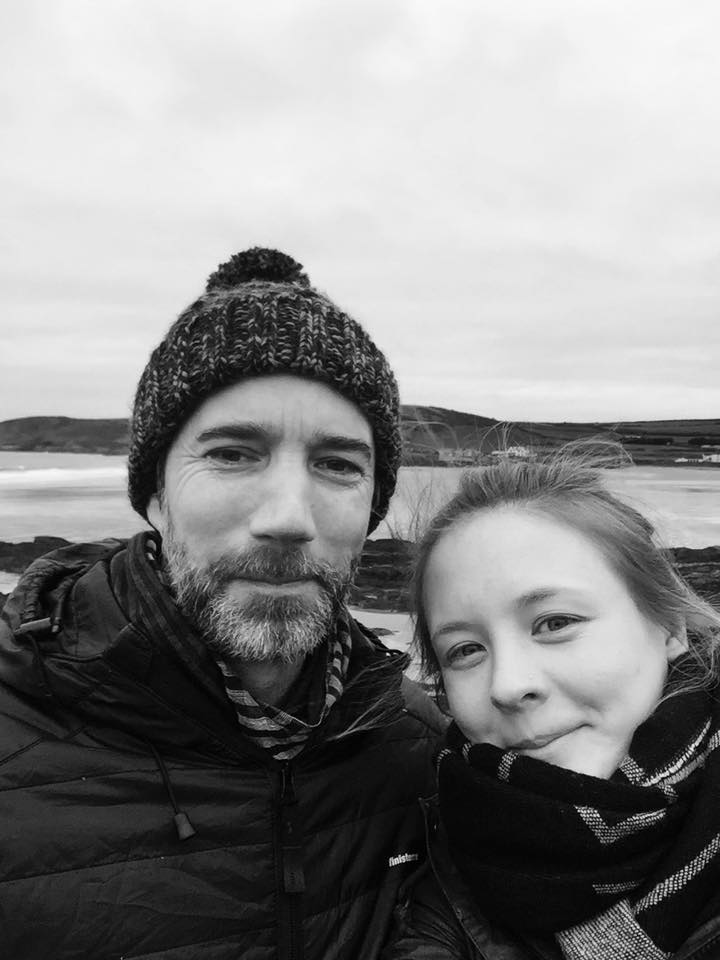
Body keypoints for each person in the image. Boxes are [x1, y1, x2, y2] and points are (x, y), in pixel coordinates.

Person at [0, 247, 444, 960]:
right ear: (153, 494)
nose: (288, 516)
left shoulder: (419, 744)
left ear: (372, 508)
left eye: (337, 465)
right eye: (234, 453)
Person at [386, 447, 720, 960]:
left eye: (555, 623)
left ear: (669, 625)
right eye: (466, 650)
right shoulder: (451, 863)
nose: (508, 686)